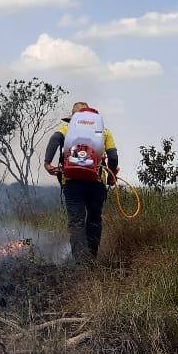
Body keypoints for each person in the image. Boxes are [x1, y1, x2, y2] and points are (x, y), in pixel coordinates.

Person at [43, 102, 119, 262]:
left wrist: (47, 163)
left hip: (71, 182)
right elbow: (113, 157)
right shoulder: (103, 132)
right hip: (96, 183)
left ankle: (80, 262)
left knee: (76, 221)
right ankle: (91, 259)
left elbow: (54, 140)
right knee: (94, 219)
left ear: (74, 118)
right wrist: (111, 178)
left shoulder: (66, 129)